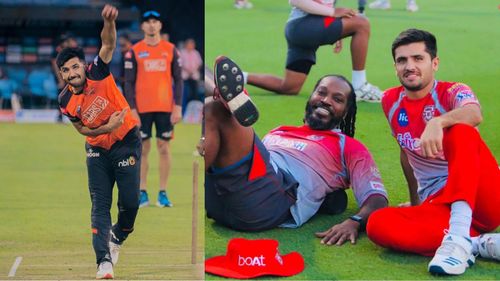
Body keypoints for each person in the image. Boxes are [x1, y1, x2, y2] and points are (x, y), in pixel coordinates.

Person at [205, 56, 388, 244]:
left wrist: (354, 222)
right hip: (219, 202)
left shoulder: (348, 146)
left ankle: (233, 101)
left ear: (346, 111)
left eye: (338, 99)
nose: (326, 100)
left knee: (215, 108)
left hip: (268, 202)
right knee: (207, 89)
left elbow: (377, 198)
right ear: (311, 98)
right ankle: (229, 99)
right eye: (321, 93)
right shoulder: (280, 131)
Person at [366, 29, 500, 275]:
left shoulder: (452, 91)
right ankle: (478, 243)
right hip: (438, 203)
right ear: (395, 66)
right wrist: (416, 202)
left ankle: (459, 236)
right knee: (377, 224)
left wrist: (438, 122)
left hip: (481, 195)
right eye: (402, 60)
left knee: (460, 131)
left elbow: (474, 114)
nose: (410, 66)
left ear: (434, 63)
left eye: (418, 58)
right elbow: (405, 153)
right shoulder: (390, 101)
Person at [57, 5, 141, 279]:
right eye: (66, 70)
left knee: (130, 204)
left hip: (126, 140)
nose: (72, 72)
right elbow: (83, 130)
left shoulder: (97, 71)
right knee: (100, 205)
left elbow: (108, 42)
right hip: (97, 151)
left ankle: (118, 236)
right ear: (62, 76)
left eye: (74, 66)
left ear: (83, 65)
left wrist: (108, 21)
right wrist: (107, 126)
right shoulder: (65, 101)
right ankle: (103, 262)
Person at [244, 0, 383, 102]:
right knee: (362, 23)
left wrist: (339, 29)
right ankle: (360, 85)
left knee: (289, 87)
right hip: (304, 26)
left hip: (305, 27)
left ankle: (240, 76)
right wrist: (333, 13)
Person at [124, 10, 183, 208]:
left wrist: (178, 106)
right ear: (142, 26)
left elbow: (179, 80)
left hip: (165, 108)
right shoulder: (134, 51)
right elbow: (129, 83)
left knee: (164, 148)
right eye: (147, 22)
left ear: (160, 26)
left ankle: (163, 193)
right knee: (143, 149)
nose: (151, 25)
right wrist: (132, 109)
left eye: (155, 21)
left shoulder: (171, 49)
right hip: (142, 109)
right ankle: (142, 192)